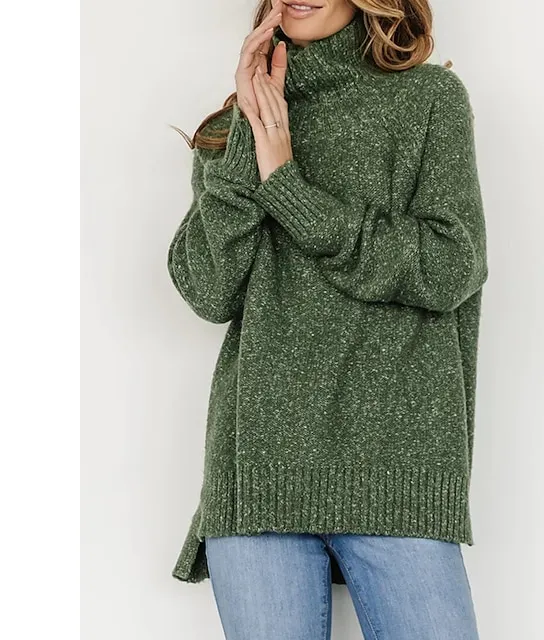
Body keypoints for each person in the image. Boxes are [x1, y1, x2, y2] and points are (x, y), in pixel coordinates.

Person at [167, 1, 489, 638]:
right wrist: (250, 134)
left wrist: (289, 188)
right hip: (257, 472)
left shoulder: (428, 100)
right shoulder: (235, 127)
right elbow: (208, 291)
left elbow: (452, 267)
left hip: (397, 468)